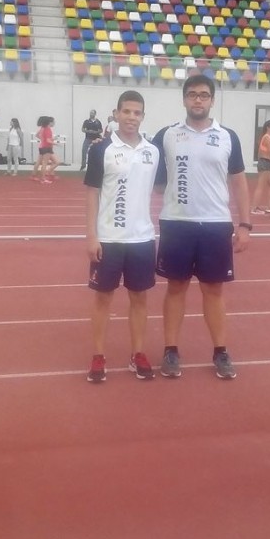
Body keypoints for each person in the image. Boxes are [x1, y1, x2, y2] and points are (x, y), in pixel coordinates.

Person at [152, 73, 251, 380]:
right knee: (176, 287)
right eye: (192, 94)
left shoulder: (227, 136)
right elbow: (151, 178)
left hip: (215, 224)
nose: (198, 99)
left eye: (203, 95)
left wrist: (245, 223)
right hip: (176, 223)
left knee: (213, 290)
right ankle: (171, 350)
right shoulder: (166, 135)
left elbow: (239, 181)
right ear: (184, 99)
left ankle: (220, 351)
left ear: (211, 100)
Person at [84, 90, 159, 383]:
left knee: (139, 299)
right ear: (116, 114)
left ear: (143, 116)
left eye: (137, 112)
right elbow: (91, 195)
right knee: (103, 299)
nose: (131, 117)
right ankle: (98, 355)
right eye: (126, 112)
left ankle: (137, 353)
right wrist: (91, 236)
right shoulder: (100, 149)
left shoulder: (152, 152)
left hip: (142, 239)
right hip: (108, 239)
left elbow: (163, 188)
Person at [31, 116, 60, 184]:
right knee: (45, 163)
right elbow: (48, 140)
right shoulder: (48, 129)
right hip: (47, 147)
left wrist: (46, 140)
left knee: (41, 162)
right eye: (53, 122)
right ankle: (43, 178)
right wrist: (55, 143)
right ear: (49, 122)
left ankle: (40, 176)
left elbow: (44, 138)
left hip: (42, 147)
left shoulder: (43, 128)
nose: (54, 123)